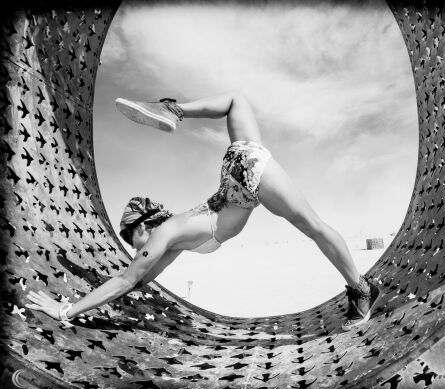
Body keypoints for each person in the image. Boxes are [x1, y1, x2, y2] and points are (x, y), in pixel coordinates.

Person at [25, 92, 381, 330]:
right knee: (236, 100)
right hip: (237, 172)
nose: (135, 249)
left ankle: (361, 289)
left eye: (132, 240)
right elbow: (139, 279)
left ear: (143, 227)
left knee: (314, 226)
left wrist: (66, 310)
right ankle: (174, 108)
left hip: (244, 177)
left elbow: (127, 279)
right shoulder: (174, 239)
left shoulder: (166, 234)